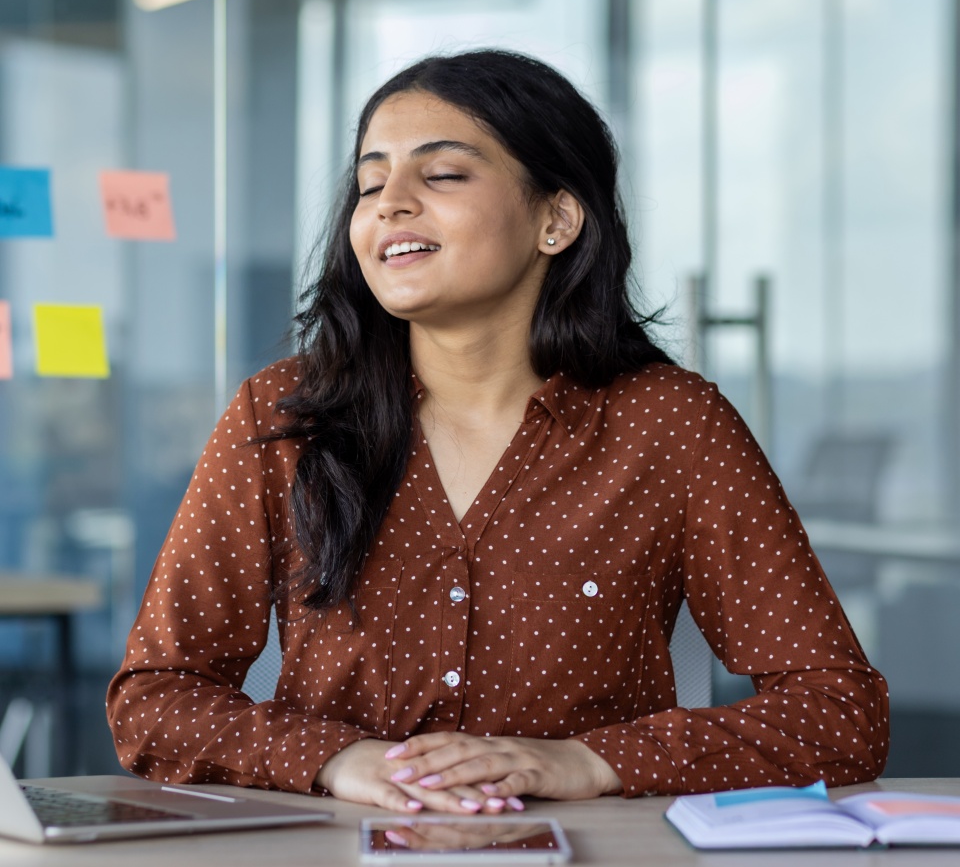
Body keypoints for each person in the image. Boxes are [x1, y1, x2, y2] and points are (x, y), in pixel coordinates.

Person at [106, 49, 889, 815]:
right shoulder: (281, 416)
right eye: (371, 180)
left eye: (441, 174)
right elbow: (155, 697)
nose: (390, 201)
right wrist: (335, 759)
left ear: (555, 219)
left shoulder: (670, 424)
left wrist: (589, 762)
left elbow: (840, 711)